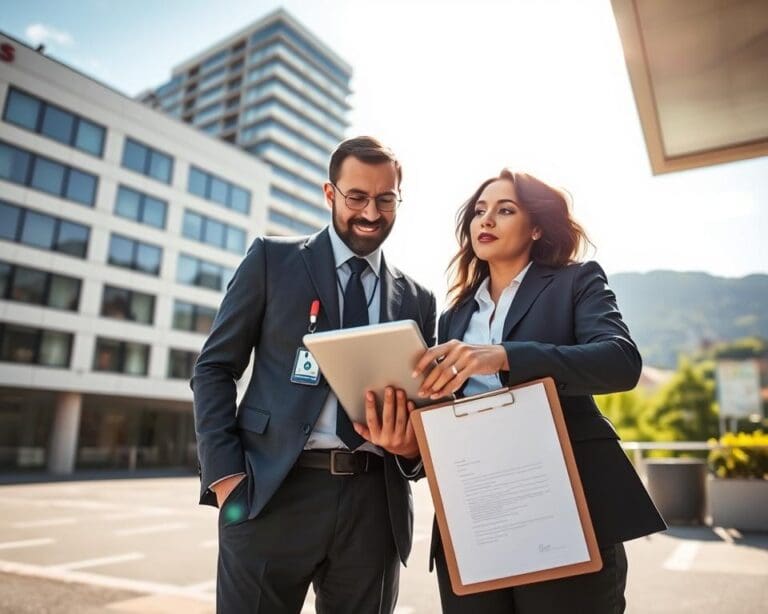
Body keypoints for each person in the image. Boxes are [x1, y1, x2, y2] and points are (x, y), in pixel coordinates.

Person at [192, 136, 436, 614]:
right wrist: (226, 478)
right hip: (271, 492)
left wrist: (410, 450)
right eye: (357, 197)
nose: (371, 212)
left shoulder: (419, 300)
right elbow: (214, 368)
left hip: (374, 505)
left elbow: (424, 408)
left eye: (385, 199)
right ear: (330, 194)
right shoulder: (271, 260)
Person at [412, 170, 666, 613]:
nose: (486, 219)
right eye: (479, 211)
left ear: (535, 228)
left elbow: (620, 362)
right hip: (475, 518)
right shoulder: (454, 316)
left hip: (566, 509)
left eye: (505, 210)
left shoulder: (576, 281)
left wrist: (505, 356)